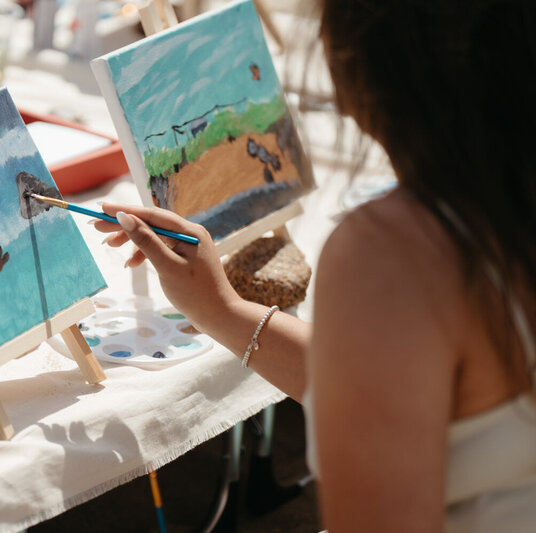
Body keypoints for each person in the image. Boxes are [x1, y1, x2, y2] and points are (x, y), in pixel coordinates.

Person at [91, 1, 536, 531]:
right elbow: (390, 389)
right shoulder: (498, 208)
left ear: (360, 61)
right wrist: (221, 309)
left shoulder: (398, 250)